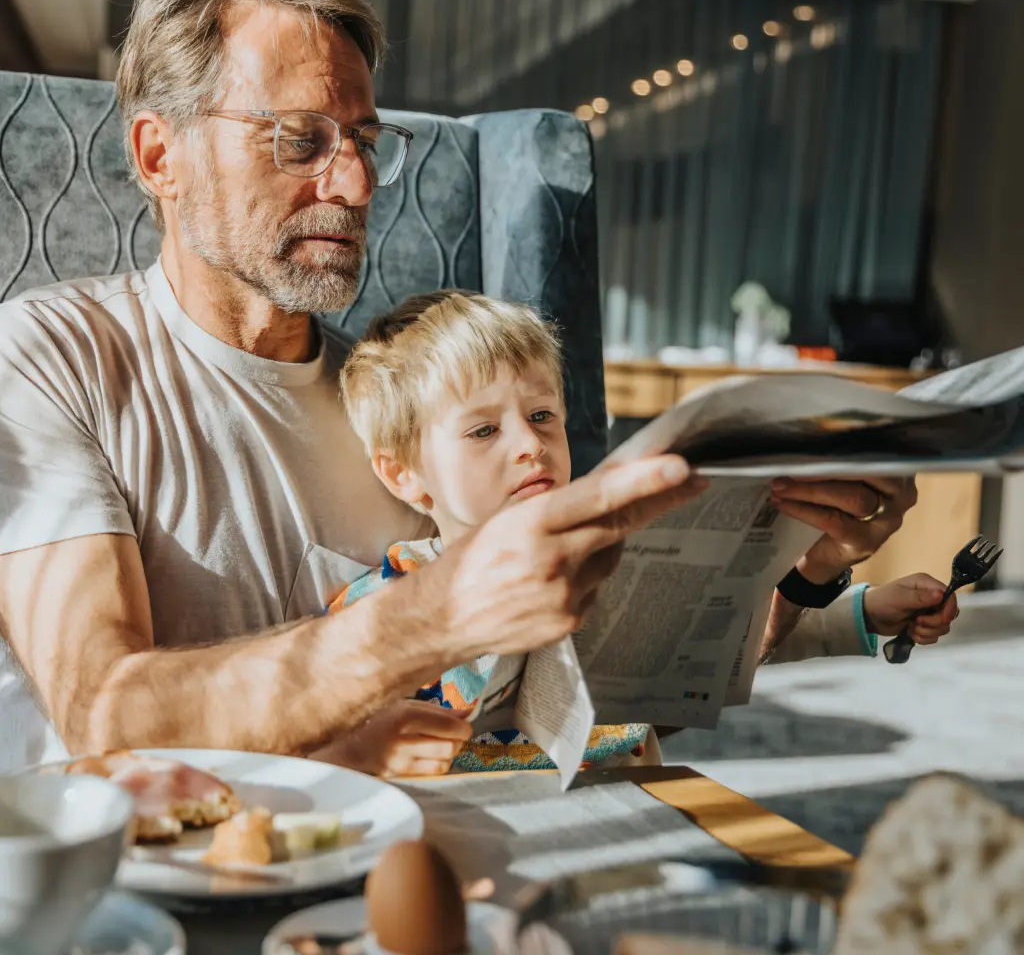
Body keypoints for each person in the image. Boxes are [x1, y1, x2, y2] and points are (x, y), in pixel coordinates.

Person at [0, 0, 927, 774]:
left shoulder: (414, 402)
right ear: (162, 155)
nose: (356, 184)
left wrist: (811, 564)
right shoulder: (53, 358)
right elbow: (100, 714)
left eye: (364, 141)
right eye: (301, 139)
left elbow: (581, 711)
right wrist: (430, 616)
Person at [325, 288, 959, 776]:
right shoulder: (378, 606)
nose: (530, 445)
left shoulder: (610, 554)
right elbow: (326, 731)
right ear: (403, 474)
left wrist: (863, 610)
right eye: (484, 430)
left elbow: (706, 637)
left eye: (543, 416)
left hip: (633, 806)